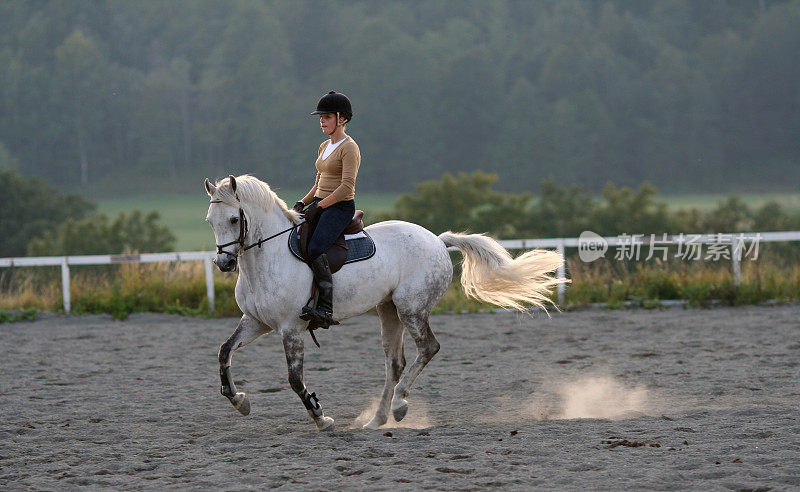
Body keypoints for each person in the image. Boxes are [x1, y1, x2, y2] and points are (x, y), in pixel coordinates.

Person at [294, 91, 361, 327]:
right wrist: (303, 202)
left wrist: (319, 206)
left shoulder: (349, 148)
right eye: (321, 117)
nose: (322, 121)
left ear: (342, 118)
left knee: (315, 248)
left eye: (327, 116)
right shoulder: (324, 145)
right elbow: (318, 182)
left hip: (339, 207)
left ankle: (325, 308)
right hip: (319, 204)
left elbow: (345, 187)